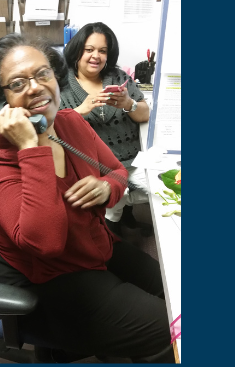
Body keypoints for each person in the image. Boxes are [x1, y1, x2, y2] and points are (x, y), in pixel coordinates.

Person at [0, 34, 171, 362]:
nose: (35, 86)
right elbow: (47, 242)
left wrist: (106, 188)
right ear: (1, 103)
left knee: (177, 297)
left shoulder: (68, 122)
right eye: (17, 83)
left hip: (94, 247)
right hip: (52, 277)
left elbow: (116, 171)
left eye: (43, 74)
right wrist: (31, 148)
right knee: (171, 332)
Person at [60, 23, 152, 234]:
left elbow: (145, 113)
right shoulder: (61, 85)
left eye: (102, 51)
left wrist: (128, 103)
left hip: (133, 161)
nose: (96, 56)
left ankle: (125, 212)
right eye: (89, 49)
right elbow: (53, 130)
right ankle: (112, 230)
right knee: (105, 224)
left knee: (166, 190)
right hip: (94, 168)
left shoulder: (120, 79)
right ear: (77, 51)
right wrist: (79, 112)